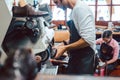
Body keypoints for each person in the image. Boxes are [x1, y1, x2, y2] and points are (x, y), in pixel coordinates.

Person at [53, 0, 96, 75]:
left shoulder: (81, 9)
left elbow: (88, 40)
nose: (56, 6)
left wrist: (65, 48)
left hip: (84, 59)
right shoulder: (73, 11)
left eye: (56, 2)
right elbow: (76, 37)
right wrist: (63, 44)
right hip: (76, 57)